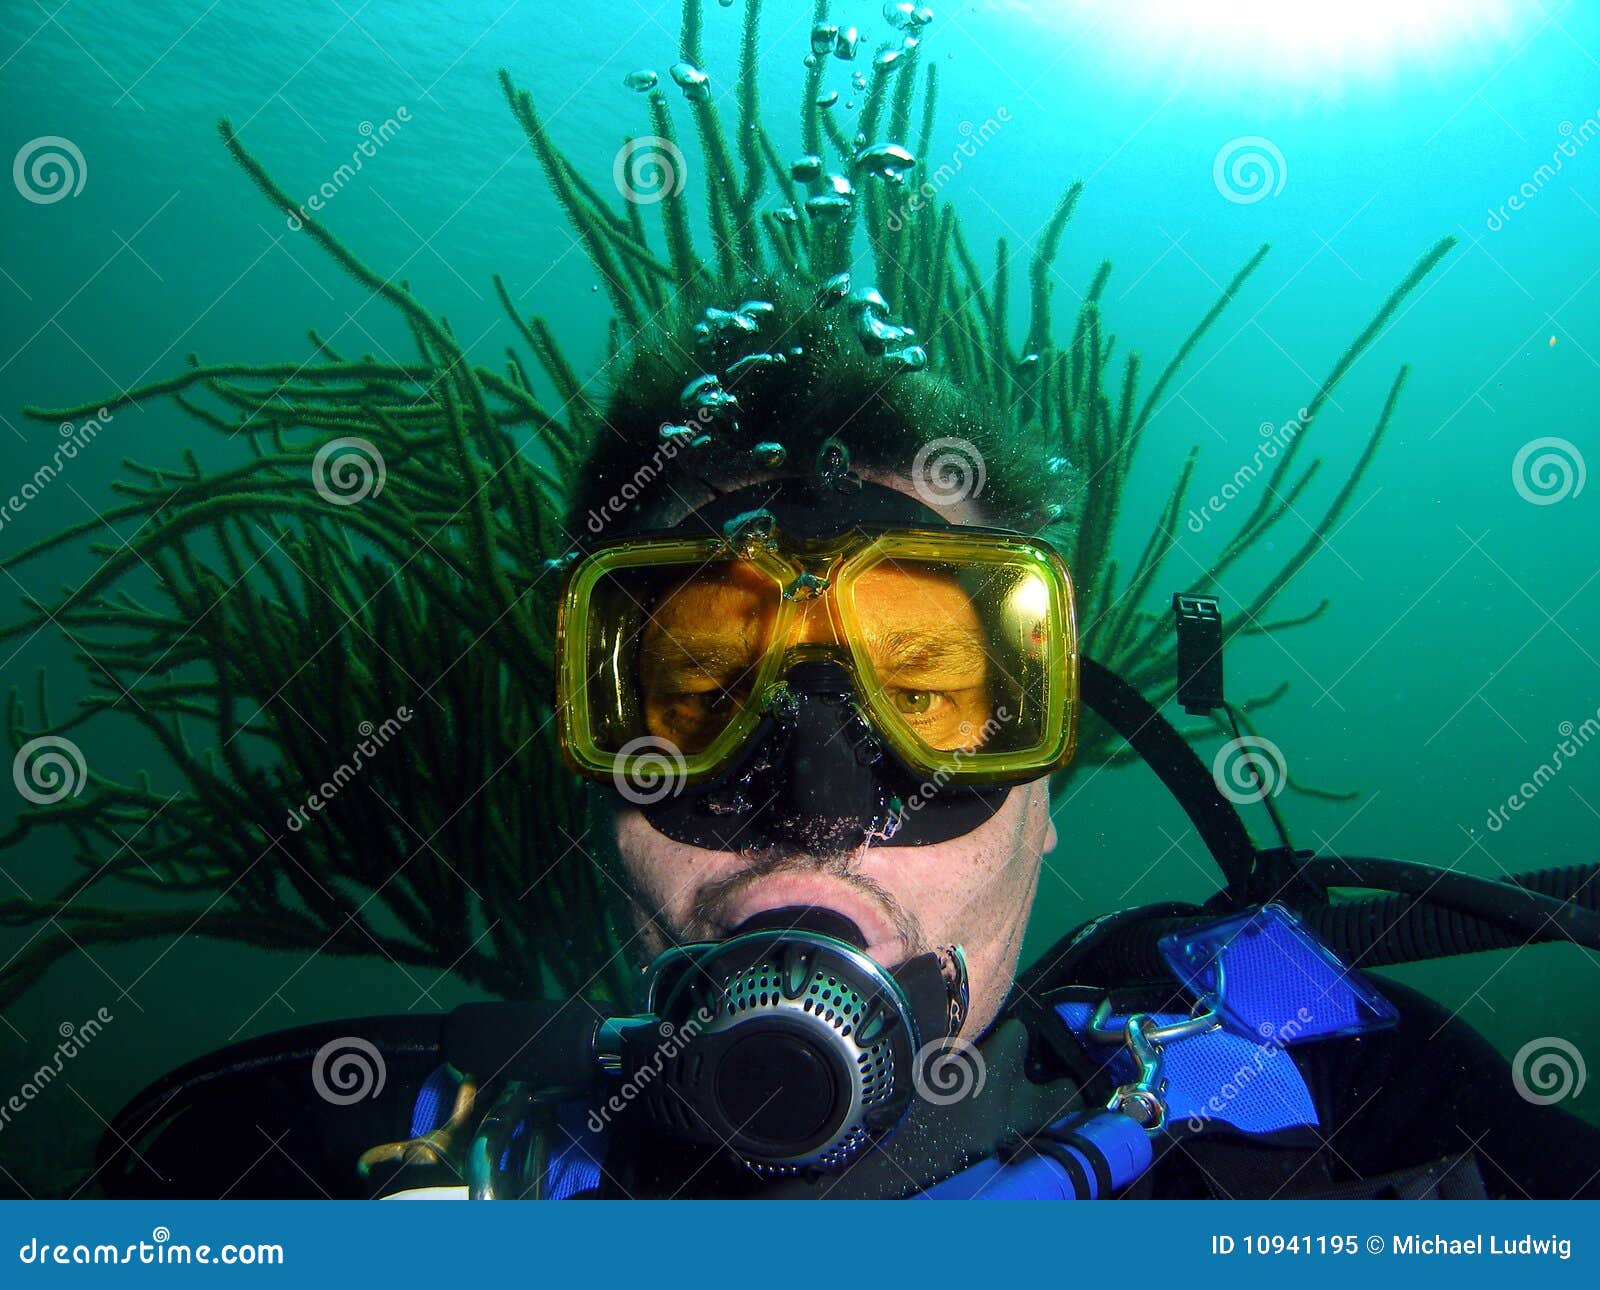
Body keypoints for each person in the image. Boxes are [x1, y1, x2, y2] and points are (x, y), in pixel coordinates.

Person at [96, 273, 1600, 1200]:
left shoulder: (1387, 1131)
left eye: (929, 685)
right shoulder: (289, 1166)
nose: (816, 799)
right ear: (592, 781)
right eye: (695, 686)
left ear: (1049, 789)